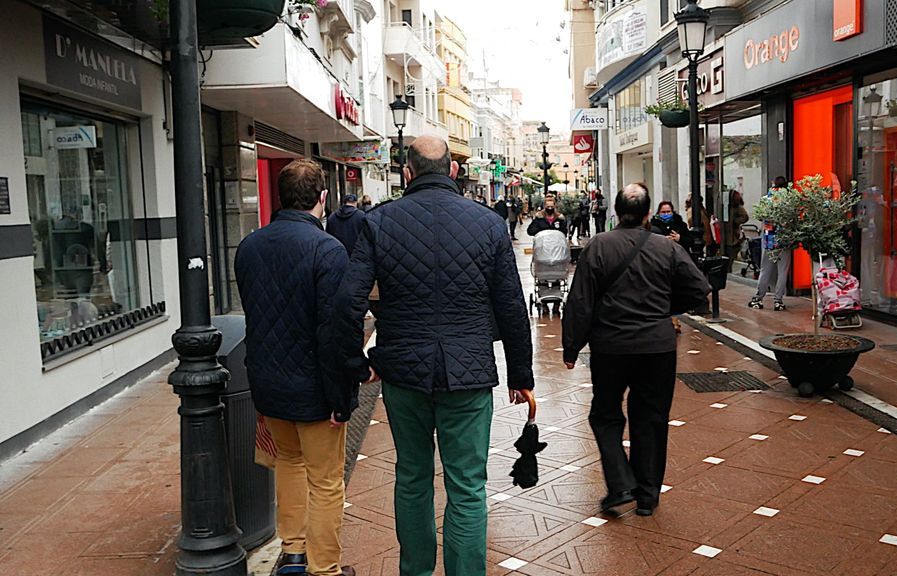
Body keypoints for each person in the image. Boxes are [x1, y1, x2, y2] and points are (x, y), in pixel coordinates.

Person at [339, 136, 535, 575]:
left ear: (407, 174)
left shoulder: (378, 222)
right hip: (467, 372)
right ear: (452, 171)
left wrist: (358, 364)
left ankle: (417, 571)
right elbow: (511, 305)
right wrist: (520, 374)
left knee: (411, 477)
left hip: (403, 370)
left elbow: (346, 303)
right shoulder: (487, 224)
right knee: (466, 486)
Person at [234, 159, 358, 576]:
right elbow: (335, 332)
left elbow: (257, 313)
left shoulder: (250, 246)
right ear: (323, 199)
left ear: (280, 197)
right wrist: (343, 398)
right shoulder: (328, 250)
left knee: (288, 463)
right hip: (315, 390)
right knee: (325, 481)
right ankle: (325, 569)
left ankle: (293, 552)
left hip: (268, 383)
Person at [561, 182, 710, 517]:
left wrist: (572, 346)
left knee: (605, 415)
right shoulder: (667, 248)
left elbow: (580, 302)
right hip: (657, 347)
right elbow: (699, 289)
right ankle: (646, 495)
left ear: (615, 211)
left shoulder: (599, 246)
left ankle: (620, 482)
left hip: (611, 347)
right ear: (647, 214)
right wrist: (665, 310)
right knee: (652, 418)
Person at [749, 176, 792, 311]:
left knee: (765, 270)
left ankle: (758, 298)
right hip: (784, 240)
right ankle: (778, 301)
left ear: (773, 185)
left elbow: (760, 216)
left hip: (768, 239)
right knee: (782, 271)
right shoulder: (789, 200)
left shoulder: (765, 199)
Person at [724, 189, 749, 262]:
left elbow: (745, 217)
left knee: (731, 255)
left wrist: (735, 221)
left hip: (733, 236)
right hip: (727, 235)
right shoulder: (728, 207)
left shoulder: (738, 207)